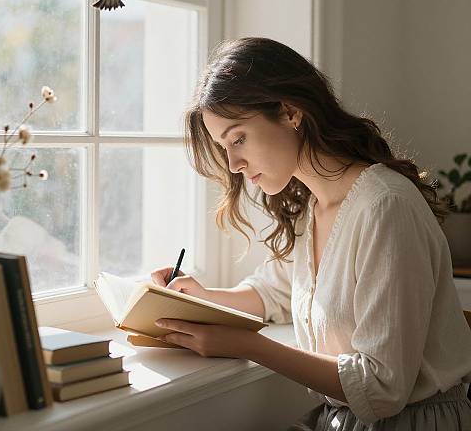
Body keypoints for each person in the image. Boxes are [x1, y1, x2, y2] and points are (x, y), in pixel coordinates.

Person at [150, 37, 471, 430]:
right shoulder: (311, 207)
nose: (233, 163)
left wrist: (246, 345)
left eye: (238, 138)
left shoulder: (385, 207)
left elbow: (383, 386)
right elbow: (277, 293)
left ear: (289, 112)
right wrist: (201, 297)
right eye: (224, 146)